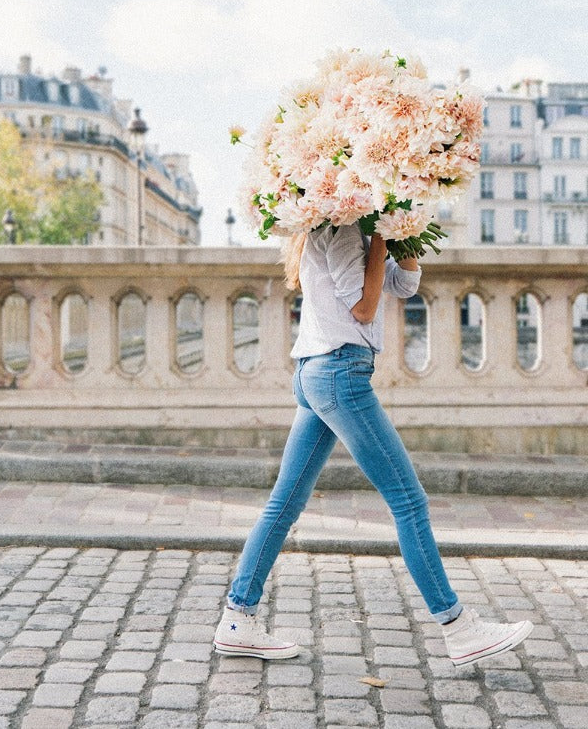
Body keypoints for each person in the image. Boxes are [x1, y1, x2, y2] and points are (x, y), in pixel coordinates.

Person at [213, 223, 533, 666]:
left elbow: (401, 285)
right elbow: (364, 309)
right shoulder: (341, 228)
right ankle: (458, 628)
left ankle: (237, 619)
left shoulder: (348, 229)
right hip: (340, 372)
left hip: (320, 372)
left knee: (284, 504)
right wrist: (382, 235)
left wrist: (405, 237)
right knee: (408, 501)